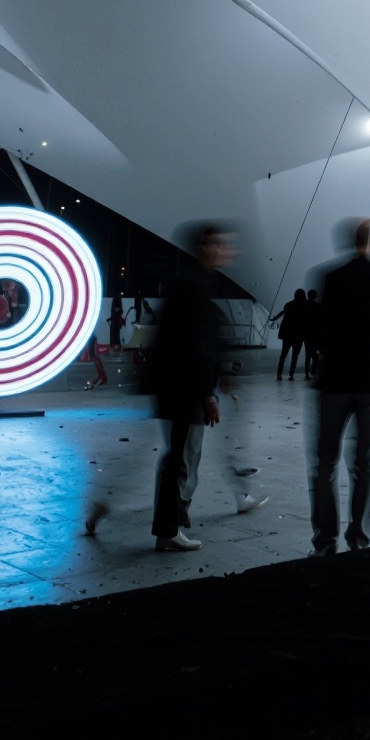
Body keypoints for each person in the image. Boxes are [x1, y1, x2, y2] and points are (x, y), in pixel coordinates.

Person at [123, 223, 231, 551]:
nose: (225, 251)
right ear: (205, 247)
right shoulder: (194, 286)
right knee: (179, 458)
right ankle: (168, 529)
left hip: (176, 386)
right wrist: (207, 393)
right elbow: (194, 345)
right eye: (220, 245)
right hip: (184, 388)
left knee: (177, 457)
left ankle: (170, 524)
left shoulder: (189, 283)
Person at [310, 217, 370, 556]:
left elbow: (320, 328)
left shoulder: (331, 277)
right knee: (366, 461)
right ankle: (358, 538)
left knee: (326, 461)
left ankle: (325, 540)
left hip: (335, 379)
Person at [271, 288, 310, 380]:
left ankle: (279, 373)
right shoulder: (306, 306)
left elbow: (282, 313)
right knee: (295, 355)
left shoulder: (289, 305)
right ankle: (291, 374)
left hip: (287, 334)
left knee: (283, 355)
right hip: (299, 335)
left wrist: (274, 319)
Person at [303, 287, 324, 380]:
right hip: (315, 333)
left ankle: (307, 372)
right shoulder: (318, 307)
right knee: (314, 353)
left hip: (306, 332)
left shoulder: (304, 305)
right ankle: (313, 371)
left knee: (308, 354)